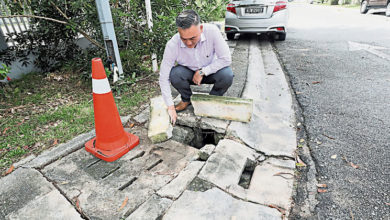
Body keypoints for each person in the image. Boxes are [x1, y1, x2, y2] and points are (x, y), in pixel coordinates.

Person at [159, 9, 233, 125]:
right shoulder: (172, 45)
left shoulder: (212, 31)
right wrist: (170, 107)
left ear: (201, 29)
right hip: (188, 74)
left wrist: (203, 71)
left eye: (193, 38)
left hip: (210, 72)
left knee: (227, 75)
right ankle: (186, 99)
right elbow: (163, 77)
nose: (188, 43)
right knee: (174, 74)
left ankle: (212, 100)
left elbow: (226, 58)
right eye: (184, 39)